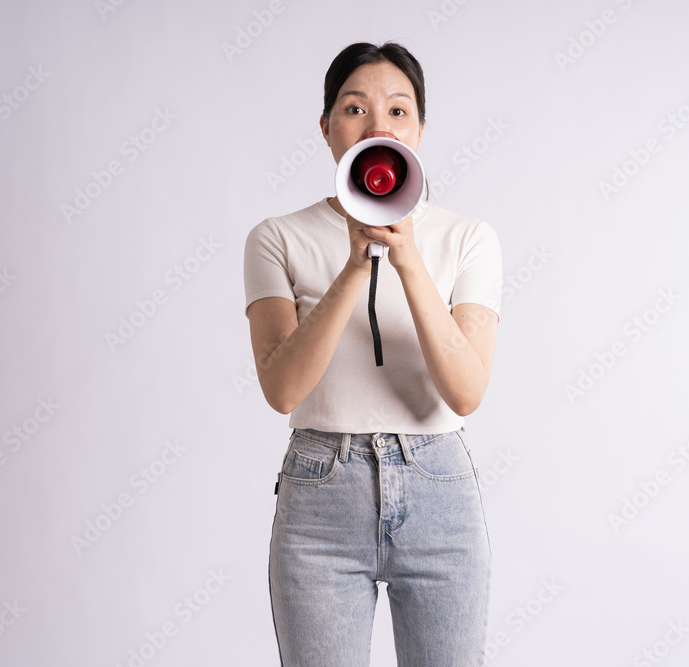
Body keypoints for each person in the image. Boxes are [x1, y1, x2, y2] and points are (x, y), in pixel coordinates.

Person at [243, 41, 503, 666]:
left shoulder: (468, 239)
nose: (378, 125)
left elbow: (466, 390)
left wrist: (407, 257)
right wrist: (356, 265)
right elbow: (282, 389)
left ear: (418, 130)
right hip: (319, 497)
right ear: (327, 127)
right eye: (355, 109)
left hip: (439, 486)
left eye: (398, 110)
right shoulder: (277, 238)